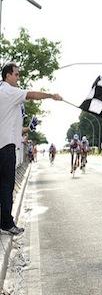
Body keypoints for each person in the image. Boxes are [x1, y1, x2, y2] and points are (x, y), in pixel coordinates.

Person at [0, 63, 62, 235]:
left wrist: (28, 128)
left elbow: (10, 125)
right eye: (16, 74)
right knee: (6, 186)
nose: (18, 78)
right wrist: (51, 95)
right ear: (7, 76)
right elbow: (32, 94)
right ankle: (6, 223)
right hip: (6, 147)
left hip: (4, 143)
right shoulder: (10, 91)